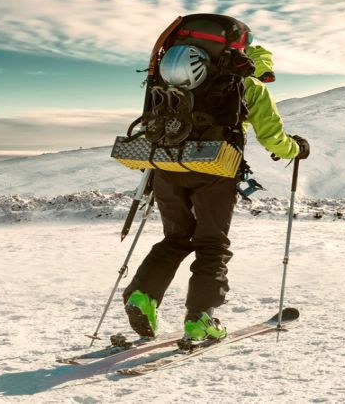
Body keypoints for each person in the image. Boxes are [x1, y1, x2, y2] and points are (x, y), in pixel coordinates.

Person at [121, 43, 310, 342]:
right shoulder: (249, 85)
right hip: (215, 171)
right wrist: (297, 148)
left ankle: (142, 297)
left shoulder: (173, 77)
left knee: (175, 238)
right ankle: (200, 319)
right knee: (212, 244)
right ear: (256, 64)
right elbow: (272, 138)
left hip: (167, 168)